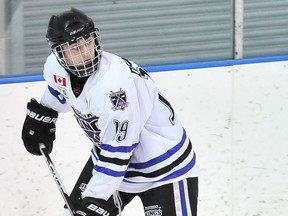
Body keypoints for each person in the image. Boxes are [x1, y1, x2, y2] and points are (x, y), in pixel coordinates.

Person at [21, 8, 199, 216]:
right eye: (76, 48)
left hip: (164, 167)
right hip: (110, 157)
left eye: (88, 42)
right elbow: (61, 91)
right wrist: (43, 114)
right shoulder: (55, 68)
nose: (87, 52)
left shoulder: (114, 86)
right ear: (60, 54)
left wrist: (94, 197)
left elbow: (119, 152)